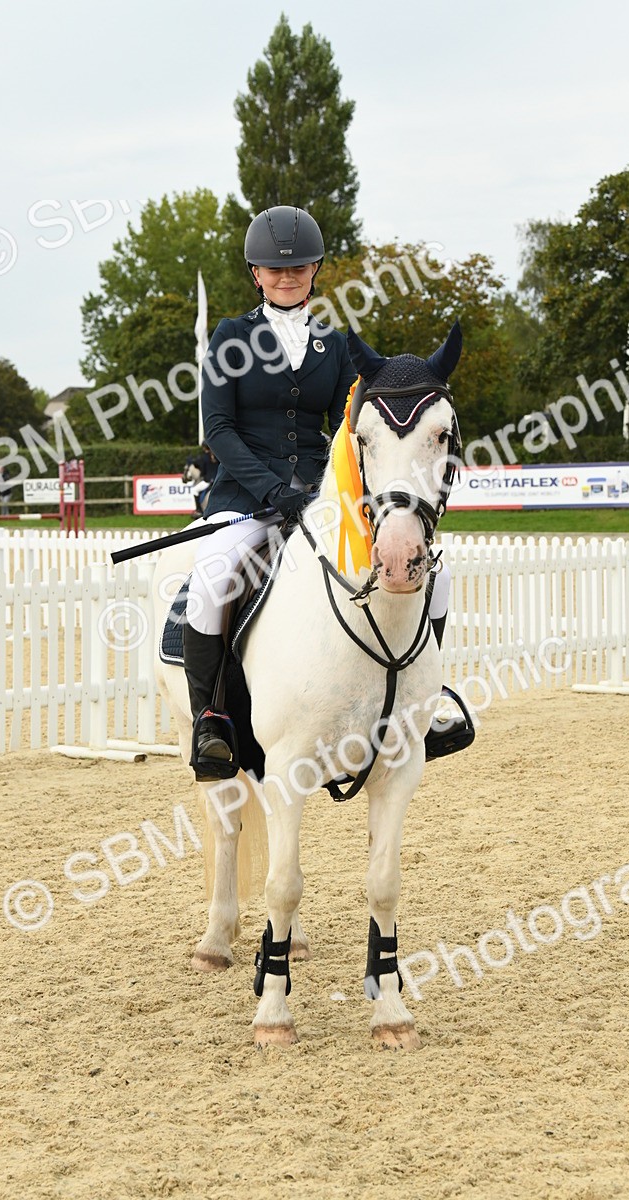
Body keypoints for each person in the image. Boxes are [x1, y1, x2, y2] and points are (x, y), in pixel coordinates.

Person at [183, 205, 357, 779]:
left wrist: (319, 488)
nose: (288, 278)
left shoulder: (337, 343)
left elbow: (346, 425)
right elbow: (220, 430)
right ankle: (211, 720)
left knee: (434, 572)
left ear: (315, 270)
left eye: (299, 268)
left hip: (318, 499)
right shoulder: (231, 337)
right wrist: (271, 489)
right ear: (256, 274)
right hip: (243, 498)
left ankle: (421, 702)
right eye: (275, 270)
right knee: (212, 575)